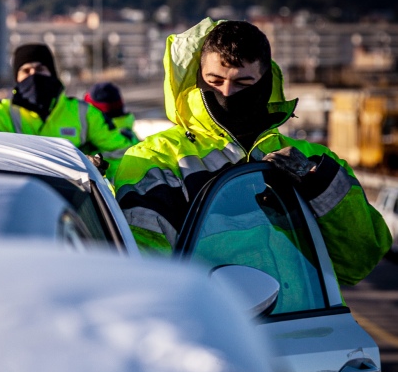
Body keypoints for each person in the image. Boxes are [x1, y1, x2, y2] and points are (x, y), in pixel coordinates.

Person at [114, 18, 391, 286]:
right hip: (219, 330)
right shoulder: (155, 160)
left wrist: (317, 185)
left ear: (265, 83)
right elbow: (148, 277)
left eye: (243, 84)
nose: (227, 93)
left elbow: (358, 264)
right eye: (214, 80)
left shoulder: (314, 160)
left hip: (309, 327)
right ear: (198, 77)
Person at [0, 43, 138, 178]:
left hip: (74, 207)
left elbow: (124, 153)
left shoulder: (83, 113)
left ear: (52, 73)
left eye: (40, 69)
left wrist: (95, 167)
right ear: (16, 78)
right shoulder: (3, 113)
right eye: (26, 71)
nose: (34, 75)